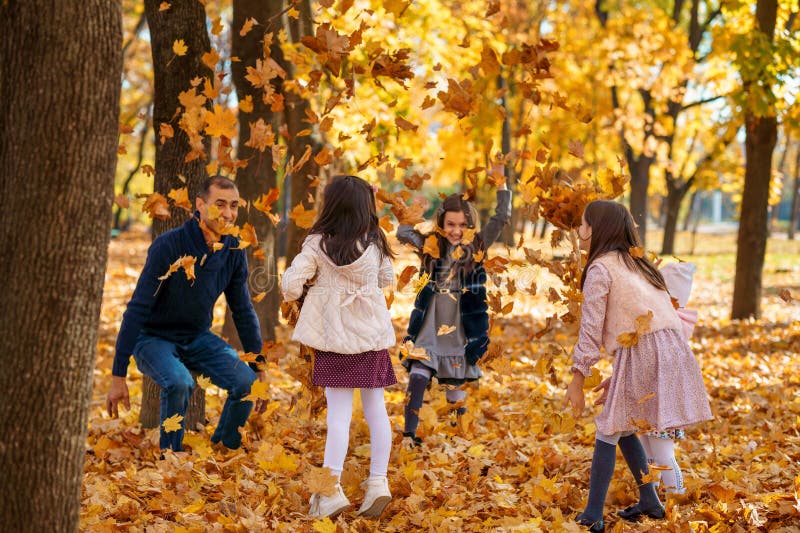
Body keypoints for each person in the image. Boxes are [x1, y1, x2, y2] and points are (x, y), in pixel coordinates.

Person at [563, 200, 712, 532]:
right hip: (670, 348)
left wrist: (578, 379)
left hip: (648, 350)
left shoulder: (601, 268)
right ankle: (650, 501)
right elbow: (642, 323)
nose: (579, 230)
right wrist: (618, 377)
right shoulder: (637, 263)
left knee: (608, 428)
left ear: (598, 229)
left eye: (584, 224)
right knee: (625, 421)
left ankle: (592, 516)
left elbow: (590, 329)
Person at [106, 176, 267, 452]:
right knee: (179, 382)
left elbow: (242, 310)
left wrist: (259, 365)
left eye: (234, 206)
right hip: (152, 339)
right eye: (220, 205)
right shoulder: (169, 245)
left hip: (197, 337)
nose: (228, 214)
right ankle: (171, 457)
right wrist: (117, 374)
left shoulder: (233, 250)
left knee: (247, 384)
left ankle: (224, 447)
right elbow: (137, 309)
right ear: (200, 205)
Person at [281, 175, 397, 519]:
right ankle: (378, 482)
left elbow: (289, 286)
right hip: (371, 339)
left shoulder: (318, 243)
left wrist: (311, 286)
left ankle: (330, 491)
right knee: (376, 408)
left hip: (334, 340)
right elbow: (387, 279)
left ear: (330, 205)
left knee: (339, 416)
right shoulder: (375, 242)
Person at [397, 182, 511, 445]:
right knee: (417, 377)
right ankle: (409, 435)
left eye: (462, 225)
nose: (456, 231)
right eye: (450, 224)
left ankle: (458, 439)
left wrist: (501, 184)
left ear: (470, 226)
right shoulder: (430, 245)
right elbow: (403, 231)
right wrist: (413, 211)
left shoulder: (477, 246)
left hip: (460, 331)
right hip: (429, 327)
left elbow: (501, 217)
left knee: (454, 393)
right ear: (441, 223)